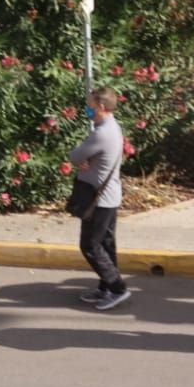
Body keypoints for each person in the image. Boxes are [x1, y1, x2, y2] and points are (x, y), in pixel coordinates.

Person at [70, 86, 129, 310]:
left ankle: (117, 288)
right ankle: (105, 288)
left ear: (101, 107)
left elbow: (74, 155)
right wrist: (87, 160)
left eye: (90, 106)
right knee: (105, 244)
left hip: (100, 199)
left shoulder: (102, 133)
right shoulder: (112, 127)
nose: (87, 109)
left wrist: (83, 160)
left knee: (90, 245)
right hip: (109, 196)